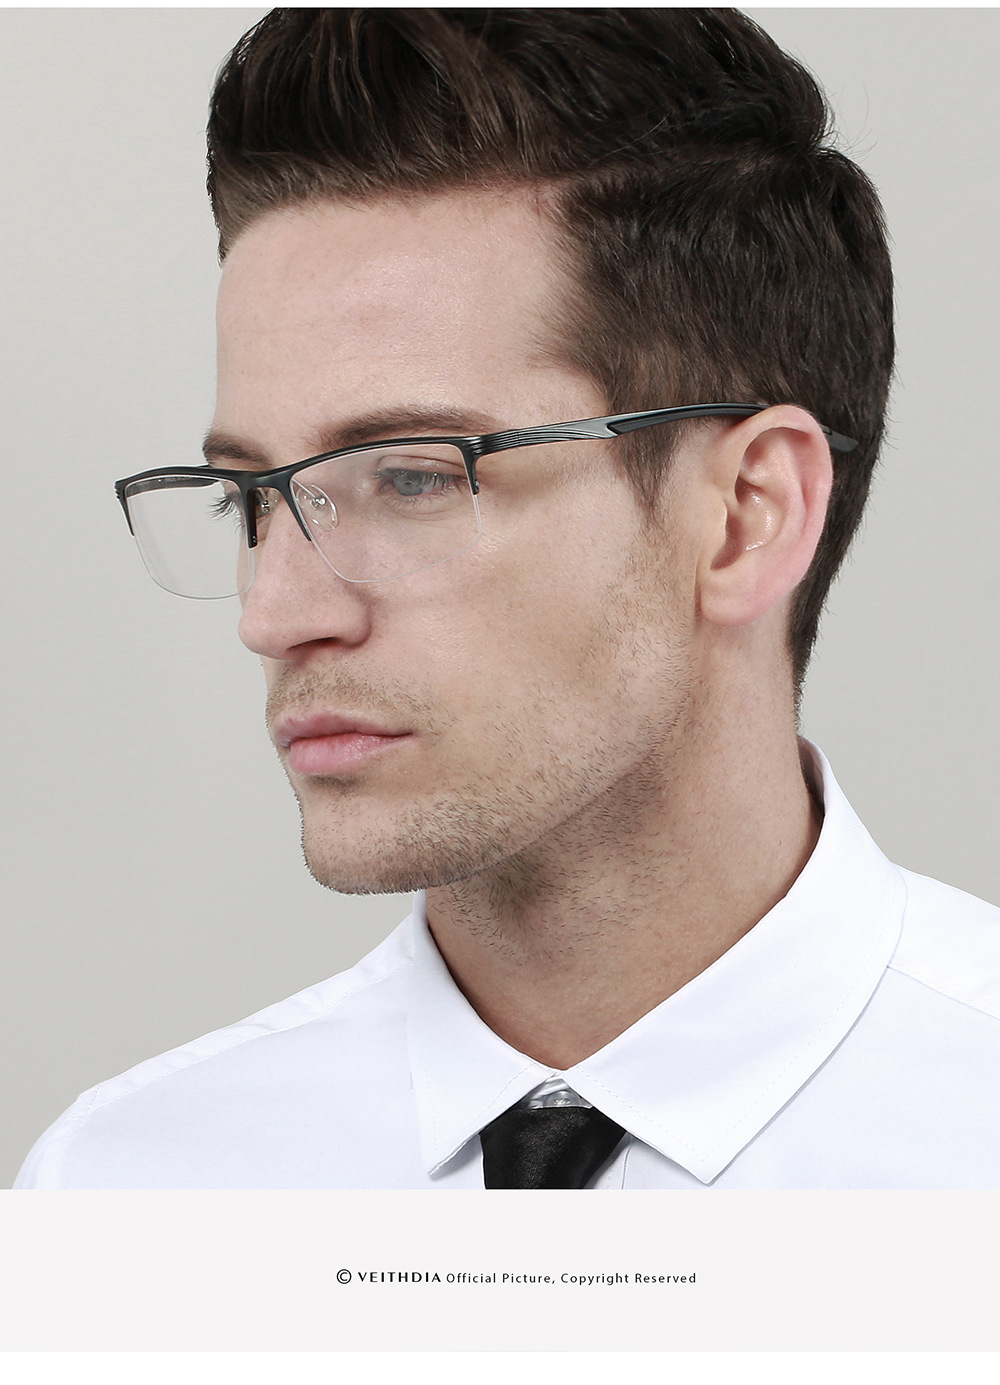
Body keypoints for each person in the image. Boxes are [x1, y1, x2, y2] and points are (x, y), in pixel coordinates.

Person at [16, 7, 1000, 1190]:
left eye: (412, 478)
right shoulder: (124, 1190)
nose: (272, 616)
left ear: (748, 513)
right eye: (249, 499)